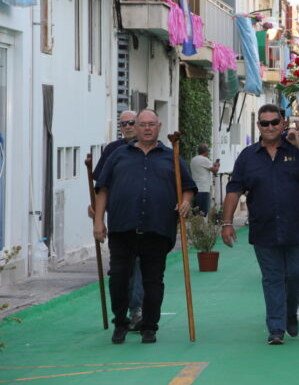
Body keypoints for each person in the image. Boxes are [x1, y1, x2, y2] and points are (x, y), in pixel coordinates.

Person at [220, 104, 299, 345]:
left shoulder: (298, 150)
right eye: (264, 123)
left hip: (297, 227)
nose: (270, 127)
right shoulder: (247, 156)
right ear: (258, 125)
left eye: (274, 122)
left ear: (283, 123)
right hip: (264, 228)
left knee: (298, 275)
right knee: (272, 278)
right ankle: (276, 327)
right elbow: (234, 189)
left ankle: (290, 312)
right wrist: (227, 223)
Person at [93, 109, 196, 345]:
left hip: (157, 229)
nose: (147, 128)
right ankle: (121, 323)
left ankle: (150, 327)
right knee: (118, 277)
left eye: (152, 124)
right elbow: (103, 189)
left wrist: (185, 202)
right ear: (135, 128)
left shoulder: (172, 157)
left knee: (153, 281)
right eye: (142, 124)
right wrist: (98, 221)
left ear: (159, 126)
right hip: (122, 227)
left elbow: (188, 187)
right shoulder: (118, 155)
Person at [89, 110, 144, 332]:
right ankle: (122, 312)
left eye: (132, 122)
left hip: (144, 218)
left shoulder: (152, 147)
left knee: (140, 264)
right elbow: (101, 184)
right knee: (121, 268)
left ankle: (137, 310)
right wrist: (97, 213)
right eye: (124, 124)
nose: (128, 126)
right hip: (119, 218)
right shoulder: (113, 150)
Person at [189, 143, 220, 215]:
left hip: (195, 190)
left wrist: (213, 165)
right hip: (204, 190)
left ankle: (195, 226)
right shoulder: (205, 160)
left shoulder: (193, 160)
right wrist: (217, 166)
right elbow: (215, 170)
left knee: (195, 213)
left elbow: (204, 166)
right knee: (204, 213)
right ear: (206, 151)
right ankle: (203, 226)